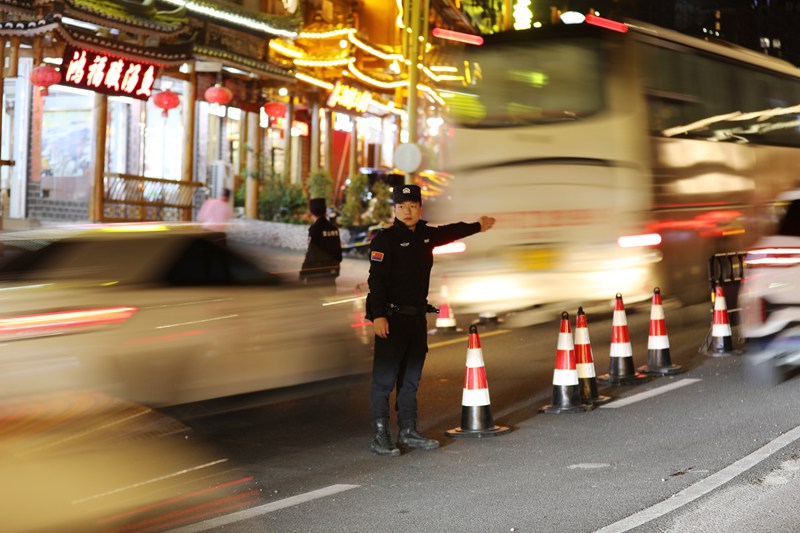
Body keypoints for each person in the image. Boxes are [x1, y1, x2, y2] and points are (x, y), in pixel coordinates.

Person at [366, 184, 495, 456]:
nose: (407, 211)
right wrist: (377, 315)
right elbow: (375, 281)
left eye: (413, 206)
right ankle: (380, 435)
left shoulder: (425, 235)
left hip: (415, 320)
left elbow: (450, 231)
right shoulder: (383, 240)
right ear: (395, 210)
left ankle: (409, 431)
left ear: (420, 208)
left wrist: (478, 226)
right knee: (385, 379)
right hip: (390, 317)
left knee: (411, 379)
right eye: (402, 206)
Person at [299, 197, 343, 288]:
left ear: (311, 212)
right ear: (324, 211)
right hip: (331, 273)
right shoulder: (334, 229)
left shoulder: (315, 229)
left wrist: (303, 274)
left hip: (317, 275)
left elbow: (311, 253)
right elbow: (338, 253)